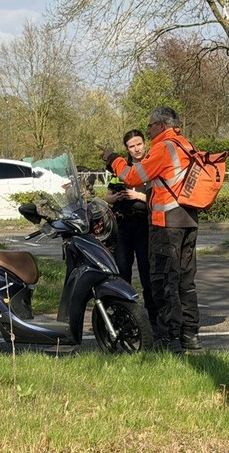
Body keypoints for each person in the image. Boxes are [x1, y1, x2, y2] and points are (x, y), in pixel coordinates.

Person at [102, 106, 201, 354]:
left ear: (161, 125)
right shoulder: (187, 145)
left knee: (164, 282)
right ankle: (190, 337)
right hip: (189, 219)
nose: (149, 130)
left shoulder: (163, 147)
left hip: (166, 224)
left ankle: (168, 339)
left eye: (150, 126)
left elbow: (134, 177)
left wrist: (114, 159)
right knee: (186, 283)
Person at [104, 129, 158, 331]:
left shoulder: (152, 167)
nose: (136, 149)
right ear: (126, 149)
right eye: (131, 146)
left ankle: (153, 320)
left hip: (145, 227)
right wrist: (116, 198)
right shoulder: (122, 169)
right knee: (122, 276)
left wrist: (138, 197)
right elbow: (107, 196)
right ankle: (123, 319)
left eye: (139, 144)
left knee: (147, 276)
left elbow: (158, 198)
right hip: (123, 228)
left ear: (145, 144)